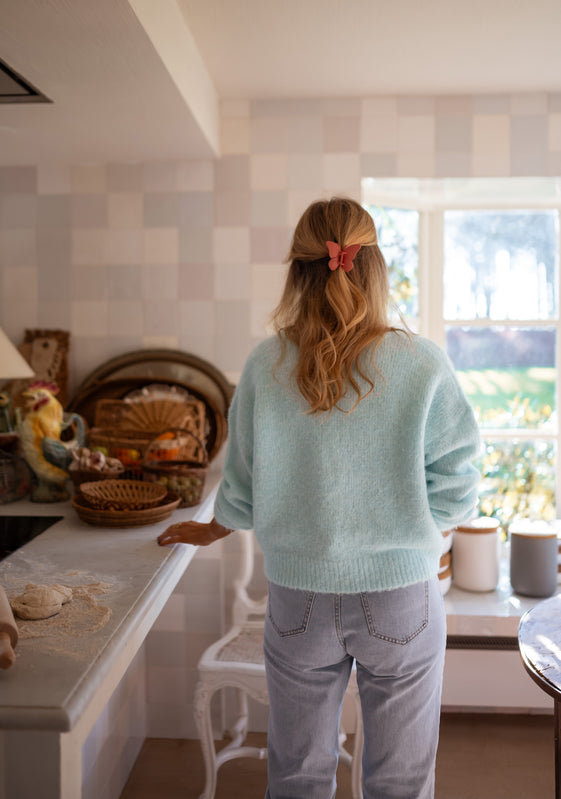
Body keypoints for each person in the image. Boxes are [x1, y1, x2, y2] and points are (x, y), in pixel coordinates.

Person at [158, 197, 481, 799]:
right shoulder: (422, 362)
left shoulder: (266, 365)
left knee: (299, 778)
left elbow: (243, 487)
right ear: (375, 268)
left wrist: (212, 529)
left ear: (297, 272)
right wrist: (407, 531)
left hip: (298, 602)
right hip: (402, 603)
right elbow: (461, 485)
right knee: (400, 783)